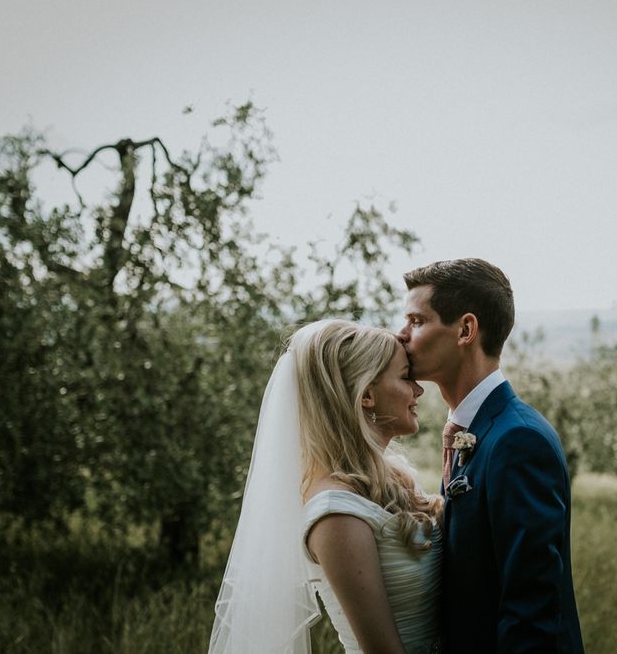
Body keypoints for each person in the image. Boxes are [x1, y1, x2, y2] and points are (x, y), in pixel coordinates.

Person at [209, 320, 444, 654]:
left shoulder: (396, 478)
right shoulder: (335, 513)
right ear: (366, 395)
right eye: (406, 377)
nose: (418, 390)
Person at [398, 258, 584, 654]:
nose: (401, 335)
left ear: (465, 330)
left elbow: (532, 609)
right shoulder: (474, 430)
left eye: (416, 321)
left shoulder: (518, 440)